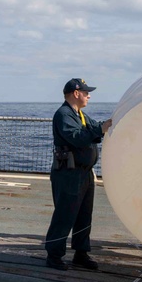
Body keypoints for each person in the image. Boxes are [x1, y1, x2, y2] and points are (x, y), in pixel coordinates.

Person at [44, 78, 113, 270]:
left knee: (84, 214)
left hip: (84, 173)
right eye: (85, 92)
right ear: (76, 93)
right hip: (69, 175)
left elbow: (93, 130)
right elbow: (77, 137)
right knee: (65, 214)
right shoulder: (63, 115)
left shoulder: (80, 115)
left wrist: (106, 125)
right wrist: (101, 128)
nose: (88, 95)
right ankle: (54, 255)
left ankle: (81, 253)